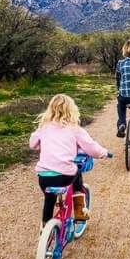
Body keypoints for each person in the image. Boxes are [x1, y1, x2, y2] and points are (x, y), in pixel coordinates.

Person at [29, 93, 109, 227]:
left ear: (50, 109)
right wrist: (104, 153)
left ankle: (45, 231)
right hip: (64, 176)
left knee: (49, 199)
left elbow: (33, 144)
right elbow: (91, 147)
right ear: (71, 110)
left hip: (43, 177)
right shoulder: (74, 129)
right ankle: (79, 211)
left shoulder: (44, 128)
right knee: (77, 173)